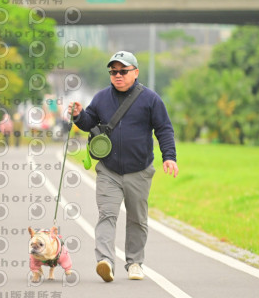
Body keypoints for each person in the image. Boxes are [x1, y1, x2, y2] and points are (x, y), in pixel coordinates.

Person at [69, 51, 179, 282]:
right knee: (107, 215)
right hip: (108, 170)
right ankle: (105, 261)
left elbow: (164, 129)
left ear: (135, 72)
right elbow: (89, 122)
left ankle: (135, 263)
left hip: (139, 171)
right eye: (113, 72)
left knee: (137, 219)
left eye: (123, 71)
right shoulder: (101, 98)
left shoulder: (151, 99)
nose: (117, 75)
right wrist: (79, 115)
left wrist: (169, 156)